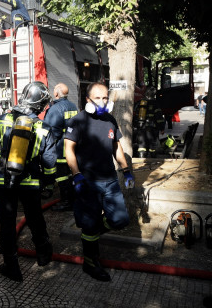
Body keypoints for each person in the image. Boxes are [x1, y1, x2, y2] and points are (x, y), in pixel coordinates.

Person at [0, 81, 57, 282]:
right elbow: (49, 161)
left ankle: (11, 266)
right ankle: (43, 255)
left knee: (7, 222)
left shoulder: (3, 120)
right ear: (40, 104)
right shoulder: (44, 128)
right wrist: (48, 182)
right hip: (30, 183)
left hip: (4, 182)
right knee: (34, 217)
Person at [64, 82, 134, 282]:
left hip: (110, 180)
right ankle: (90, 263)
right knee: (89, 226)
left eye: (105, 98)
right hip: (88, 182)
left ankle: (94, 232)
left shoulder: (110, 119)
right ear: (87, 100)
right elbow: (68, 150)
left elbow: (117, 147)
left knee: (120, 220)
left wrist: (126, 170)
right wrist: (76, 175)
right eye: (97, 98)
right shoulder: (77, 121)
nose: (102, 102)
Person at [44, 83, 78, 211]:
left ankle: (66, 202)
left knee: (62, 176)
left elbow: (51, 132)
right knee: (70, 174)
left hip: (60, 149)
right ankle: (72, 198)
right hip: (72, 146)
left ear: (56, 93)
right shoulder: (73, 106)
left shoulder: (55, 109)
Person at [133, 86, 165, 158]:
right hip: (152, 128)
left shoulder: (140, 103)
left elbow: (135, 116)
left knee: (141, 146)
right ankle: (152, 160)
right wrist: (162, 128)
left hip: (141, 128)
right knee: (152, 146)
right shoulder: (155, 104)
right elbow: (159, 117)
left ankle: (141, 159)